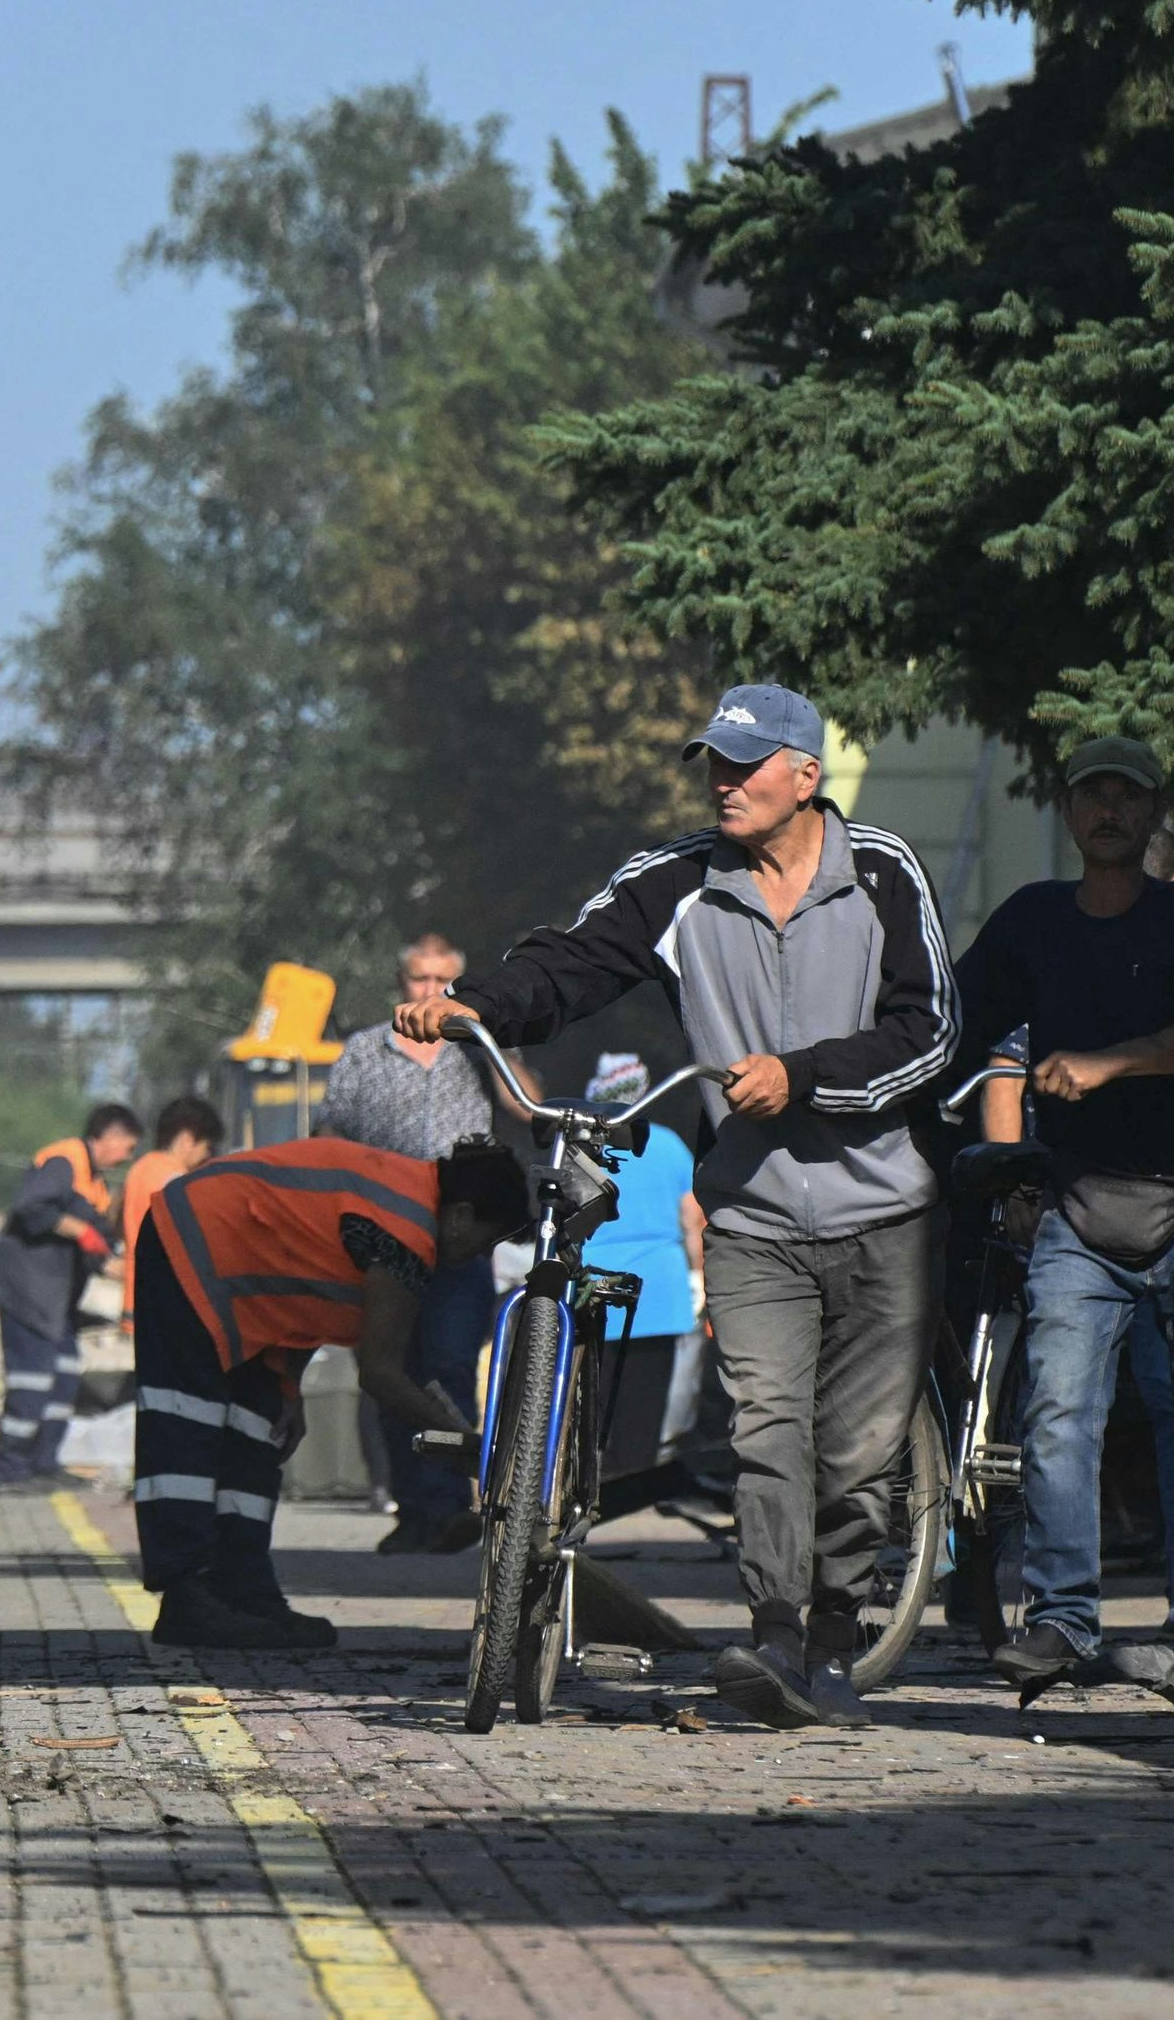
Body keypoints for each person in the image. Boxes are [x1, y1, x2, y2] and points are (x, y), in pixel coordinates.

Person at [405, 682, 956, 1729]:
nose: (722, 781)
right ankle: (775, 1641)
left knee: (857, 1457)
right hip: (751, 1214)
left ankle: (834, 1639)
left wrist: (804, 1077)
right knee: (765, 1424)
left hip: (887, 1212)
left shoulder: (882, 872)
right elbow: (571, 963)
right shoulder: (677, 883)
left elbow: (929, 1031)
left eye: (745, 765)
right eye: (713, 761)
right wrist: (476, 1001)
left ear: (805, 776)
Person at [953, 735, 1174, 1698]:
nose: (1106, 809)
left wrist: (1108, 1061)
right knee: (1055, 1424)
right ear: (1066, 807)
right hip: (1080, 1212)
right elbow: (944, 1021)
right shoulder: (1035, 921)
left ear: (1151, 812)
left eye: (1124, 795)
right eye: (1089, 791)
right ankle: (1057, 1622)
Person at [127, 1130, 529, 1648]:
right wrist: (470, 1448)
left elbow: (305, 1282)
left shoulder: (406, 1202)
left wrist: (289, 1390)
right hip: (193, 1242)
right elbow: (380, 1373)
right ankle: (184, 1596)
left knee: (259, 1431)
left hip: (241, 1276)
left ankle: (242, 1587)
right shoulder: (405, 1227)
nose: (480, 1256)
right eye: (488, 1240)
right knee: (186, 1422)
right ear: (461, 1215)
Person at [322, 933, 507, 1554]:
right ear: (402, 984)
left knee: (451, 1366)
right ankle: (410, 1508)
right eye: (419, 981)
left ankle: (452, 1505)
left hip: (459, 1239)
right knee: (391, 1370)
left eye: (441, 982)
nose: (428, 992)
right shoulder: (362, 1052)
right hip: (383, 1238)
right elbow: (330, 1134)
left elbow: (524, 1106)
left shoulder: (477, 1049)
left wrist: (487, 1036)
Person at [0, 1105, 138, 1487]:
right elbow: (29, 1208)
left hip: (57, 1301)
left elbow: (101, 1251)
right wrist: (79, 1230)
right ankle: (10, 1470)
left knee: (64, 1378)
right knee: (32, 1380)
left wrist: (128, 1270)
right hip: (28, 1292)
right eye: (128, 1147)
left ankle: (43, 1464)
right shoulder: (64, 1161)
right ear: (109, 1136)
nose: (128, 1157)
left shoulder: (95, 1185)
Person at [579, 1052, 712, 1492]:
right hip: (660, 1292)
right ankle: (630, 1489)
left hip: (592, 1289)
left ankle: (587, 1484)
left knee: (593, 1400)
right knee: (645, 1400)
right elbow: (692, 1220)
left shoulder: (583, 1150)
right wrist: (700, 1278)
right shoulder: (668, 1143)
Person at [111, 1096, 224, 1320]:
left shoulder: (140, 1170)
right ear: (186, 1140)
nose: (207, 1156)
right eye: (207, 1147)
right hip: (164, 1309)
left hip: (135, 1303)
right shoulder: (175, 1184)